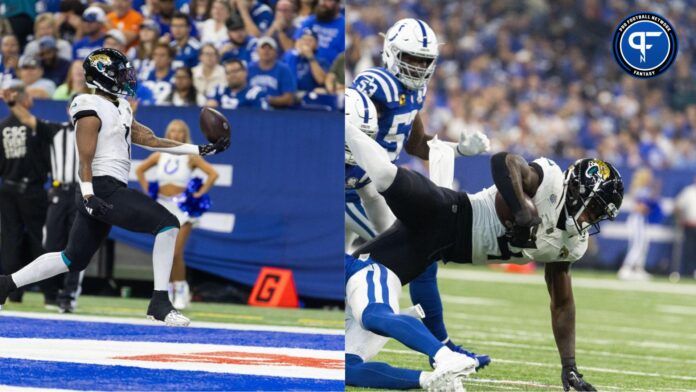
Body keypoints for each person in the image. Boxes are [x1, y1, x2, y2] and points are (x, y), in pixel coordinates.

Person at [346, 105, 624, 390]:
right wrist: (521, 211)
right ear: (577, 191)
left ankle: (436, 368)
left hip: (433, 249)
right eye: (594, 210)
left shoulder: (573, 243)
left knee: (360, 271)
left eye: (600, 215)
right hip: (448, 212)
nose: (592, 220)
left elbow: (562, 303)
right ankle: (344, 126)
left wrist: (570, 367)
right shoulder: (549, 182)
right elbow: (504, 161)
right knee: (386, 177)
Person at [0, 48, 230, 325]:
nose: (126, 77)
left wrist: (200, 149)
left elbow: (151, 139)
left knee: (72, 259)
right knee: (167, 224)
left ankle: (5, 284)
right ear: (102, 77)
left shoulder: (120, 106)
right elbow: (86, 155)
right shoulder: (87, 103)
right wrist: (87, 194)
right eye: (119, 73)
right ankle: (159, 302)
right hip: (99, 187)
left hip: (102, 189)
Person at [349, 19, 490, 364]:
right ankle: (439, 348)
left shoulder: (416, 91)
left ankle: (439, 346)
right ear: (392, 53)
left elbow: (414, 144)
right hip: (349, 188)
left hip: (374, 189)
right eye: (411, 58)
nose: (418, 67)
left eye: (424, 60)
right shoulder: (375, 84)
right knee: (412, 254)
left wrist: (459, 149)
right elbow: (351, 113)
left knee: (420, 258)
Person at [2, 90, 85, 313]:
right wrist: (11, 102)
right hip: (58, 194)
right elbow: (27, 119)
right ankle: (54, 292)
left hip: (82, 192)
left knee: (78, 247)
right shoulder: (55, 130)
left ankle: (68, 296)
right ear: (68, 110)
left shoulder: (96, 132)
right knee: (49, 246)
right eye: (75, 106)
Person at [345, 254, 476, 391]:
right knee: (343, 368)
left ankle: (448, 357)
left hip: (359, 275)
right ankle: (435, 381)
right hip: (347, 305)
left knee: (373, 315)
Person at [135, 120, 219, 309]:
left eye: (180, 131)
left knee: (176, 253)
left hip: (182, 208)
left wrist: (198, 193)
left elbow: (213, 174)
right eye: (172, 130)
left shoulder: (191, 156)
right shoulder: (159, 154)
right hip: (163, 206)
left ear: (185, 135)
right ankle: (169, 291)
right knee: (165, 252)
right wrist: (148, 189)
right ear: (167, 132)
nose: (176, 134)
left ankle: (181, 289)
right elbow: (140, 170)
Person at [0, 82, 51, 305]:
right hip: (31, 189)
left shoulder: (2, 127)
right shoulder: (34, 126)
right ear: (23, 100)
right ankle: (50, 294)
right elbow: (46, 159)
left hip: (8, 188)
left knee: (10, 240)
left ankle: (12, 292)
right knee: (40, 240)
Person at [618, 168, 658, 280]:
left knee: (644, 244)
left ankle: (638, 269)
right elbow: (640, 208)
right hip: (637, 219)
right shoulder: (641, 190)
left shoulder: (644, 189)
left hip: (641, 219)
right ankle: (626, 268)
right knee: (637, 244)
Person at [247, 37, 296, 108]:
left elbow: (289, 98)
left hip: (277, 111)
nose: (266, 51)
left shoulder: (284, 70)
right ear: (257, 51)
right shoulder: (249, 68)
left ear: (276, 52)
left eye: (270, 48)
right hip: (252, 110)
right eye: (263, 48)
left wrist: (268, 100)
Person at [294, 0, 343, 64]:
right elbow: (297, 43)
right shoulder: (311, 20)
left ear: (338, 4)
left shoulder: (342, 25)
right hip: (304, 64)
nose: (322, 3)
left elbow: (342, 57)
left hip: (329, 69)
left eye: (327, 1)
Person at [282, 29, 328, 93]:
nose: (306, 43)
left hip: (310, 95)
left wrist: (310, 57)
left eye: (310, 40)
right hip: (291, 94)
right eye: (303, 40)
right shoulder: (290, 57)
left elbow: (321, 80)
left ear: (316, 45)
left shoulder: (321, 61)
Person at [675, 177, 696, 278]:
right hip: (690, 226)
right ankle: (689, 273)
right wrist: (680, 219)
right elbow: (678, 206)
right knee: (690, 250)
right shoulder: (688, 191)